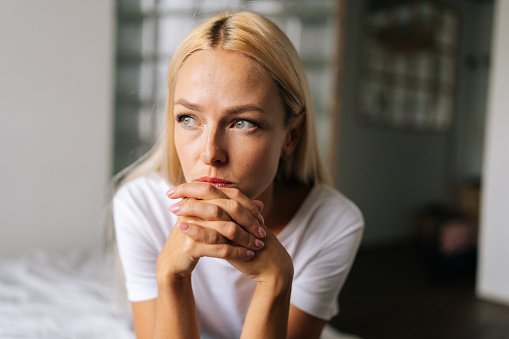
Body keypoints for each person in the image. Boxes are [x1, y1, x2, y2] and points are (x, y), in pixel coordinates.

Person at [113, 11, 363, 339]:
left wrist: (276, 280)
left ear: (291, 136)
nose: (209, 153)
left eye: (242, 122)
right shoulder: (140, 205)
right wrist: (171, 276)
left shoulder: (334, 223)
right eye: (188, 118)